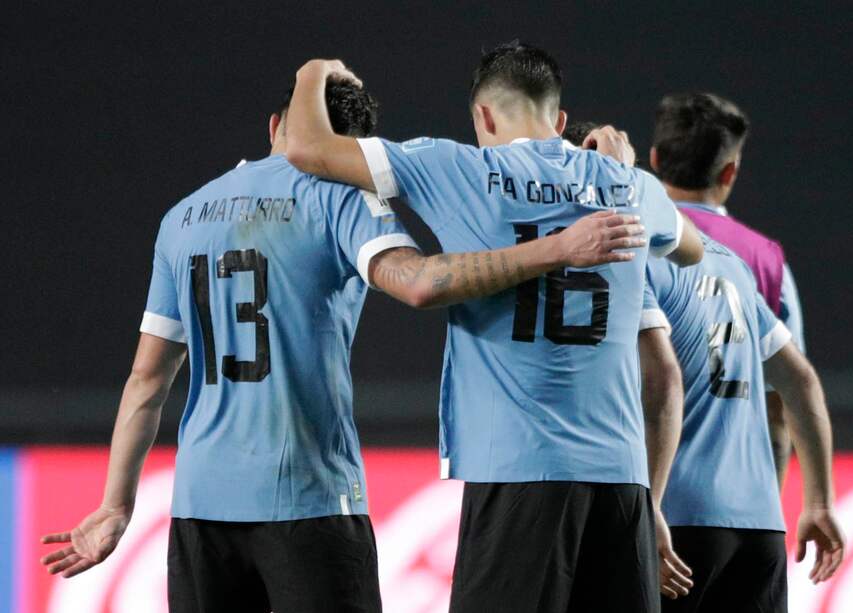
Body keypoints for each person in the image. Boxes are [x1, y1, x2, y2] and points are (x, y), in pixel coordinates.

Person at [38, 79, 645, 613]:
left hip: (200, 511)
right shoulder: (342, 195)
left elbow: (147, 381)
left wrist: (116, 506)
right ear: (351, 148)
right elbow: (419, 283)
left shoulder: (183, 216)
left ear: (276, 126)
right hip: (310, 498)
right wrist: (556, 248)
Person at [283, 41, 704, 613]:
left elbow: (307, 148)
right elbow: (693, 250)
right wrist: (619, 175)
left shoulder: (459, 167)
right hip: (621, 482)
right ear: (558, 120)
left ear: (483, 116)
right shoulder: (631, 187)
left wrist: (314, 71)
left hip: (520, 472)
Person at [640, 233, 845, 611]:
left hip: (675, 517)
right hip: (758, 525)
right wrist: (819, 503)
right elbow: (799, 381)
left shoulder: (637, 255)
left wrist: (646, 507)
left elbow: (660, 381)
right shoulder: (731, 264)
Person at [650, 93, 806, 487]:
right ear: (729, 172)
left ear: (653, 160)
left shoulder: (626, 237)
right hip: (735, 496)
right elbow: (783, 398)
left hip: (642, 489)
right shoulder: (765, 260)